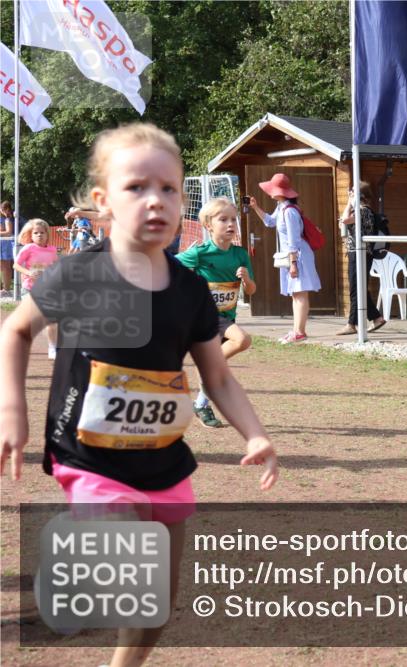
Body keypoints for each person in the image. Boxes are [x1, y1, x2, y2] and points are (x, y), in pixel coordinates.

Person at [0, 122, 278, 667]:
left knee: (155, 608)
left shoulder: (189, 290)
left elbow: (217, 376)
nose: (156, 200)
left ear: (183, 202)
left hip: (165, 463)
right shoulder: (77, 273)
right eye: (136, 188)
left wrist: (257, 433)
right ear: (104, 202)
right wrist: (13, 410)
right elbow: (15, 330)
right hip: (90, 455)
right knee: (134, 566)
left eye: (169, 189)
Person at [177, 198, 257, 428]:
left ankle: (201, 403)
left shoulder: (240, 255)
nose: (231, 224)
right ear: (208, 225)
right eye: (223, 219)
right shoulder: (200, 253)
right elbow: (169, 267)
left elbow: (251, 290)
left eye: (233, 219)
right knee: (242, 339)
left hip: (226, 317)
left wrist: (247, 278)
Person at [249, 173, 321, 344]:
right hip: (293, 255)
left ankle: (300, 331)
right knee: (295, 293)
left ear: (279, 191)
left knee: (300, 292)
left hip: (298, 256)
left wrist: (294, 263)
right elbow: (269, 222)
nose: (270, 192)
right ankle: (297, 330)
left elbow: (294, 239)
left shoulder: (289, 212)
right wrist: (255, 207)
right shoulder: (281, 207)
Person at [336, 181, 385, 335]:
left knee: (355, 289)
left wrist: (349, 204)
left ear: (359, 196)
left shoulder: (363, 211)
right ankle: (377, 318)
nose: (349, 195)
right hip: (356, 252)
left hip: (360, 253)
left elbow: (344, 220)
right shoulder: (361, 211)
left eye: (352, 193)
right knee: (359, 288)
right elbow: (343, 225)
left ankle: (352, 324)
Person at [13, 219, 59, 359]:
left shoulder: (52, 249)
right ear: (31, 235)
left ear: (47, 234)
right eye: (36, 233)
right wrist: (28, 273)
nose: (39, 235)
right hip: (29, 288)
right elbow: (16, 265)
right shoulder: (28, 248)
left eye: (42, 232)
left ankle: (52, 348)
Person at [1, 201, 15, 297]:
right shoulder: (4, 218)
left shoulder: (7, 219)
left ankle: (6, 289)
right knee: (3, 267)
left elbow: (9, 232)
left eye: (3, 209)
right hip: (2, 243)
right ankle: (5, 289)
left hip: (5, 243)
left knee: (6, 267)